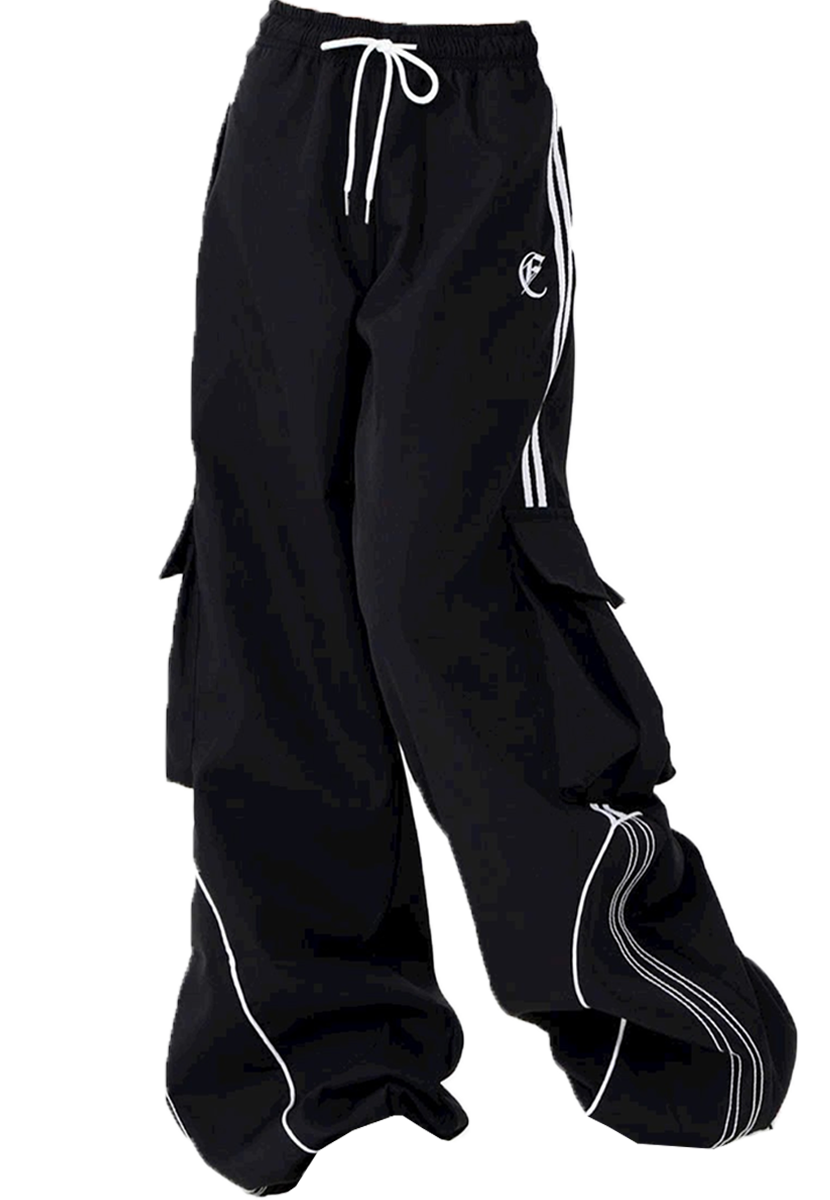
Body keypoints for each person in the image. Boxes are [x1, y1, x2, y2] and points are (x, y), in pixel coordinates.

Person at [158, 4, 798, 1193]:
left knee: (463, 599)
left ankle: (679, 1077)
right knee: (273, 598)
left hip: (467, 120)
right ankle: (340, 1098)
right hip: (289, 98)